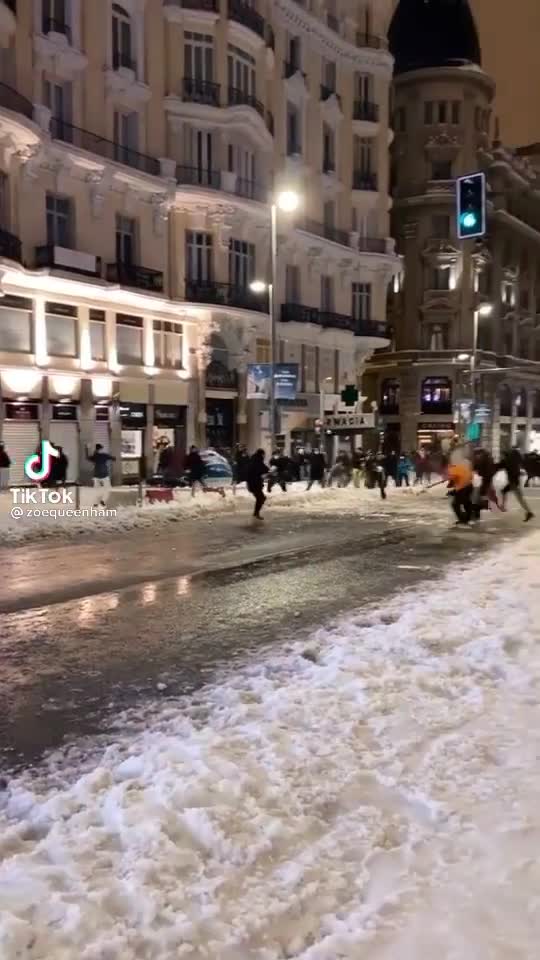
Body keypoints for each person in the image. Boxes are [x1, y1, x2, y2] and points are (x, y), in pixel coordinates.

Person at [498, 447, 534, 522]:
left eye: (501, 455)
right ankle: (503, 506)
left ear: (504, 455)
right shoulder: (512, 461)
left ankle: (529, 512)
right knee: (505, 491)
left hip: (514, 483)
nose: (501, 457)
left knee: (520, 498)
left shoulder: (507, 461)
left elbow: (498, 466)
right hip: (514, 482)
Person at [447, 450, 474, 525]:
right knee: (466, 502)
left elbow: (453, 479)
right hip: (469, 486)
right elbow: (471, 476)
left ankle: (462, 519)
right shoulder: (463, 465)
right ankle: (467, 518)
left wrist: (450, 485)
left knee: (455, 504)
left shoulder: (453, 466)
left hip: (462, 488)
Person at [247, 448, 268, 520]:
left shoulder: (253, 460)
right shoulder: (258, 461)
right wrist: (269, 471)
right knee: (261, 498)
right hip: (255, 484)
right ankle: (256, 513)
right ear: (261, 454)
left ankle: (256, 513)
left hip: (252, 483)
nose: (264, 456)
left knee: (261, 498)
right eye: (264, 454)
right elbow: (264, 469)